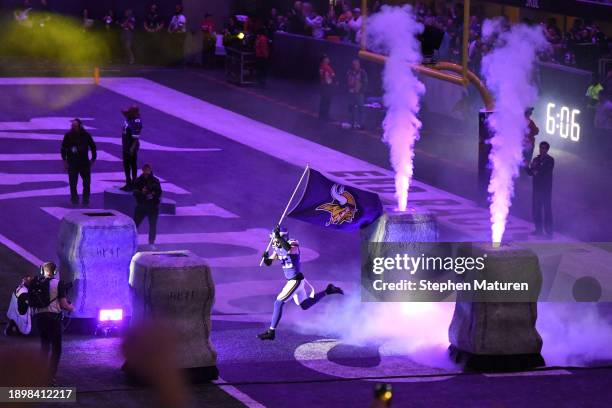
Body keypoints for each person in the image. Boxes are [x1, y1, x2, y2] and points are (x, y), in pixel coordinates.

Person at [258, 226, 344, 341]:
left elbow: (288, 249)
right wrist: (266, 258)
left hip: (295, 280)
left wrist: (278, 237)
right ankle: (328, 291)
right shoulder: (278, 249)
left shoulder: (293, 243)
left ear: (282, 236)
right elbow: (269, 262)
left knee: (278, 303)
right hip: (295, 281)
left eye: (275, 238)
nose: (273, 240)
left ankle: (271, 332)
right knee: (305, 305)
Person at [31, 262, 75, 384]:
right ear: (55, 272)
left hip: (39, 319)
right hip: (53, 319)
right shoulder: (58, 284)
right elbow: (63, 304)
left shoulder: (38, 283)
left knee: (44, 346)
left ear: (42, 271)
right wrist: (72, 308)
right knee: (56, 348)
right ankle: (50, 376)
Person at [61, 118, 97, 207]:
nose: (73, 127)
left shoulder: (86, 135)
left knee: (87, 183)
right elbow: (63, 149)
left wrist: (93, 159)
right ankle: (74, 200)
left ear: (80, 126)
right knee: (73, 183)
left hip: (84, 163)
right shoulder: (68, 136)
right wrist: (64, 161)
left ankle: (85, 201)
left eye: (75, 126)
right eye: (72, 126)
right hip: (72, 163)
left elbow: (93, 147)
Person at [526, 141, 554, 237]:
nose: (542, 149)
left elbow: (545, 172)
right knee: (536, 209)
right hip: (537, 189)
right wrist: (526, 167)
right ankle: (538, 230)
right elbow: (531, 172)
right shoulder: (536, 159)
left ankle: (549, 232)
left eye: (544, 148)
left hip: (546, 190)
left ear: (547, 149)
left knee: (547, 210)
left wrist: (536, 171)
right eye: (541, 147)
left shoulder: (550, 160)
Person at [133, 164, 162, 248]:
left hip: (152, 207)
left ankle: (151, 243)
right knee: (135, 225)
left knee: (153, 225)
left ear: (150, 170)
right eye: (145, 170)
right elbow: (134, 192)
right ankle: (132, 242)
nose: (146, 172)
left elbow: (159, 192)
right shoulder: (138, 181)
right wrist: (142, 192)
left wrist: (153, 194)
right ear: (143, 170)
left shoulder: (155, 180)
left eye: (148, 170)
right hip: (141, 206)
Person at [120, 106, 142, 191]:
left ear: (134, 113)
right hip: (125, 145)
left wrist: (132, 148)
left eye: (130, 111)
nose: (128, 112)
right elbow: (122, 110)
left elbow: (136, 138)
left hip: (131, 146)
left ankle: (133, 183)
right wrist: (127, 111)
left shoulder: (136, 122)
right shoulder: (130, 117)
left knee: (132, 164)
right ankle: (128, 182)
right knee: (126, 165)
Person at [346, 59, 368, 129]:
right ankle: (352, 123)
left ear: (359, 65)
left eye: (356, 64)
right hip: (351, 93)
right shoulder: (349, 72)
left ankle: (361, 124)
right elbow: (347, 81)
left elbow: (365, 82)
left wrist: (362, 90)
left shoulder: (362, 72)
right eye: (354, 64)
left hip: (359, 94)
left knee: (361, 109)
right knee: (351, 108)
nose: (355, 65)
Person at [318, 55, 336, 121]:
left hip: (324, 86)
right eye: (327, 58)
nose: (328, 60)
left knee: (323, 101)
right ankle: (325, 116)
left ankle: (321, 115)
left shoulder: (321, 67)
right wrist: (334, 82)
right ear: (324, 60)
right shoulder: (326, 67)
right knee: (326, 101)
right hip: (327, 86)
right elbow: (331, 77)